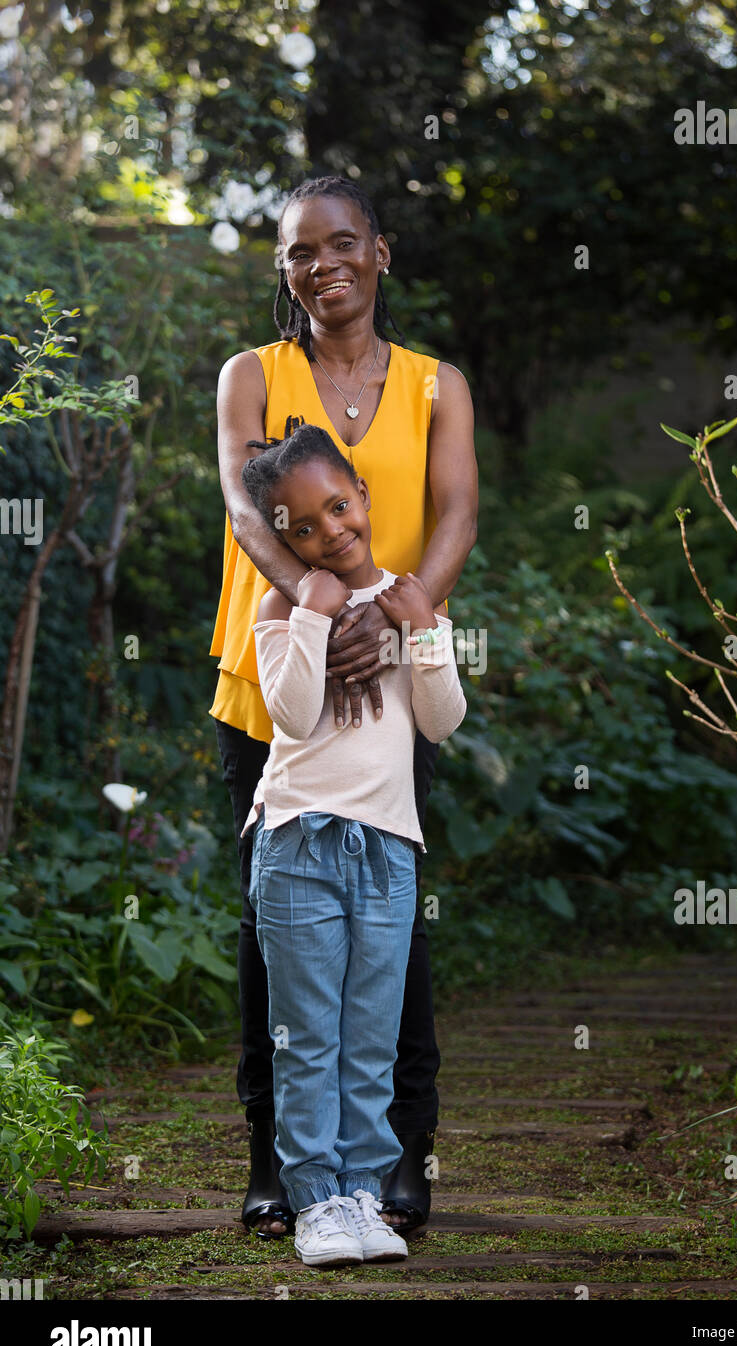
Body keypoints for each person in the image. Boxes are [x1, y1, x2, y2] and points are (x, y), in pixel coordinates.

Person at [209, 175, 478, 1236]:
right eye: (297, 253)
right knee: (274, 931)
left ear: (379, 251)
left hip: (393, 687)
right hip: (273, 677)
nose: (321, 265)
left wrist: (396, 618)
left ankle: (401, 1158)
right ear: (284, 272)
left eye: (340, 244)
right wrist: (316, 601)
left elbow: (455, 512)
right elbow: (242, 501)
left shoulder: (432, 383)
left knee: (388, 930)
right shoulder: (253, 373)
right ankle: (277, 1166)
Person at [239, 423, 467, 1266]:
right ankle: (315, 1205)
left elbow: (440, 722)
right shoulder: (281, 605)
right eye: (303, 526)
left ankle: (365, 1198)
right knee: (307, 1037)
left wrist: (427, 626)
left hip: (388, 852)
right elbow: (293, 715)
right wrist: (311, 614)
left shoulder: (410, 600)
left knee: (370, 1038)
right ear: (285, 538)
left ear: (365, 496)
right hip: (299, 845)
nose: (330, 531)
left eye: (339, 507)